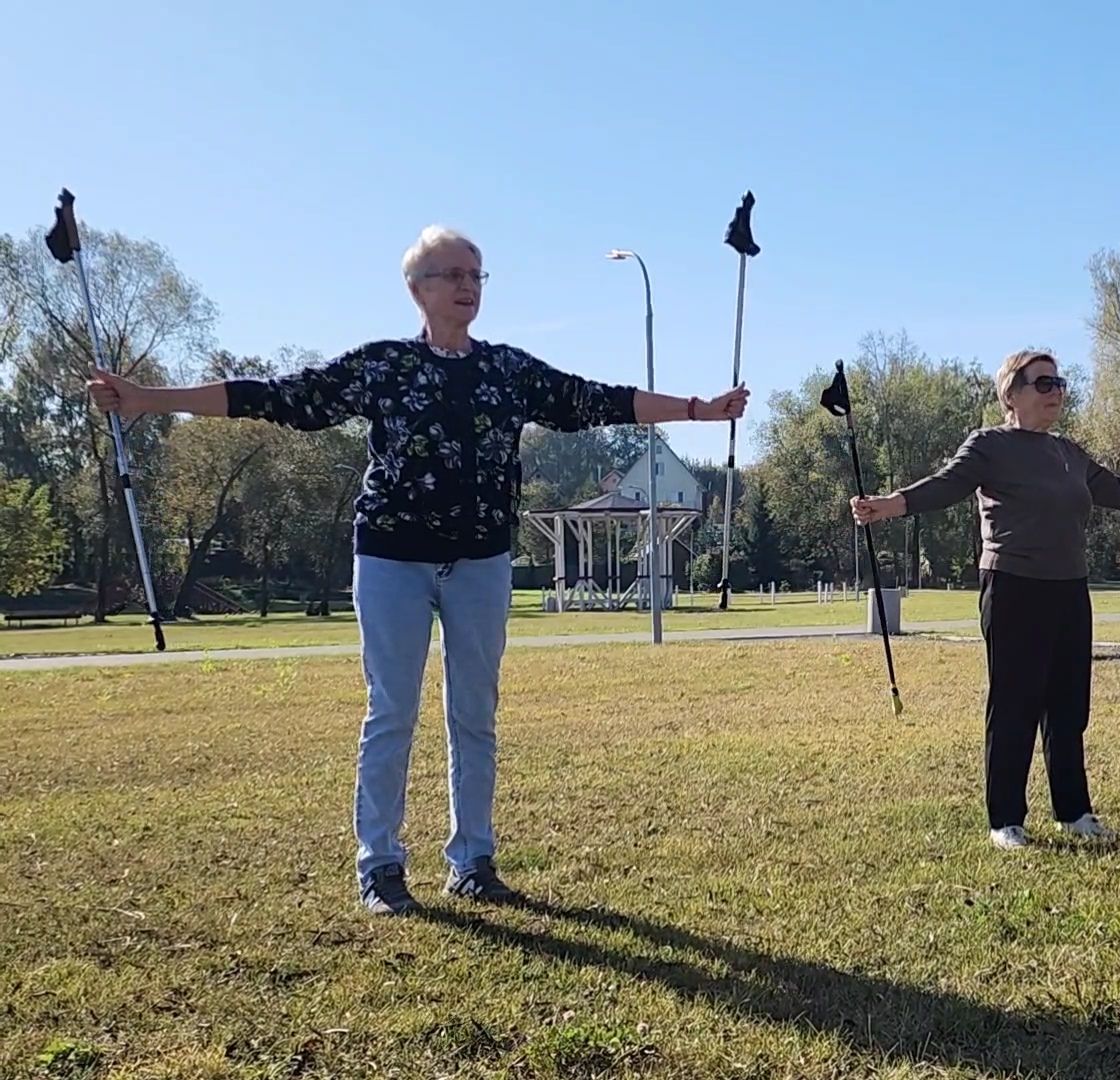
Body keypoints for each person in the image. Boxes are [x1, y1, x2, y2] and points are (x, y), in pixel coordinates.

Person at [87, 225, 749, 914]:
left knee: (475, 714)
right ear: (417, 289)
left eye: (477, 275)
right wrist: (146, 400)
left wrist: (699, 410)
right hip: (391, 561)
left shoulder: (508, 372)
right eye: (452, 275)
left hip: (482, 562)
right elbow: (279, 397)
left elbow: (596, 400)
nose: (468, 286)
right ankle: (379, 866)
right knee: (392, 711)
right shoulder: (382, 368)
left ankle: (473, 861)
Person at [850, 349, 1120, 849]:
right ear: (1011, 394)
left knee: (1068, 704)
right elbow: (946, 485)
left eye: (1059, 383)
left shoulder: (1070, 453)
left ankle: (1075, 811)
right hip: (1014, 586)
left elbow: (1117, 490)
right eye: (1043, 384)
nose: (1056, 391)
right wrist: (891, 505)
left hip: (1070, 588)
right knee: (1015, 702)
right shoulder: (989, 445)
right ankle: (1006, 821)